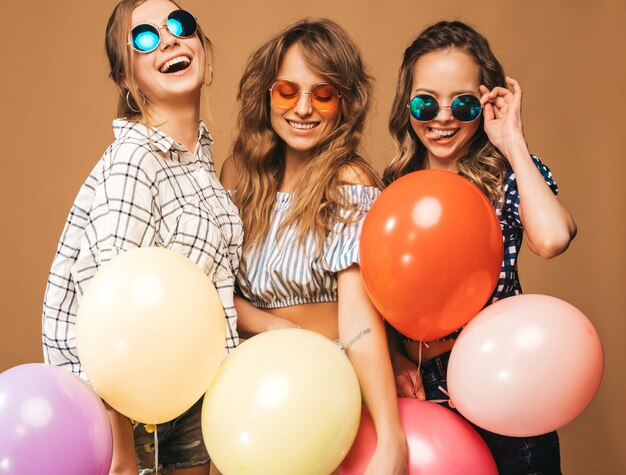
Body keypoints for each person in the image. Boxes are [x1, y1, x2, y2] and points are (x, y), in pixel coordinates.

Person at [41, 0, 243, 473]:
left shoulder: (202, 167)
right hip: (126, 411)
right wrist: (122, 454)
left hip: (189, 390)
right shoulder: (135, 161)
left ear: (203, 50)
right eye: (146, 38)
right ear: (128, 81)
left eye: (180, 25)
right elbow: (108, 315)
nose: (169, 38)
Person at [383, 20, 577, 475]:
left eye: (464, 103)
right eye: (425, 101)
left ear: (485, 103)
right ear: (406, 104)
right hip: (421, 390)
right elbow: (379, 296)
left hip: (506, 382)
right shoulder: (390, 191)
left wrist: (512, 142)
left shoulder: (507, 178)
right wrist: (393, 356)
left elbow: (552, 238)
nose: (443, 116)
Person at [220, 18, 408, 474]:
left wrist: (392, 436)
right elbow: (216, 294)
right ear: (266, 94)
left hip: (328, 397)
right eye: (288, 90)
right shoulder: (236, 176)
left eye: (322, 93)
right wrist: (269, 327)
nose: (303, 108)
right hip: (253, 398)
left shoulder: (350, 180)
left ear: (344, 103)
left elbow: (360, 319)